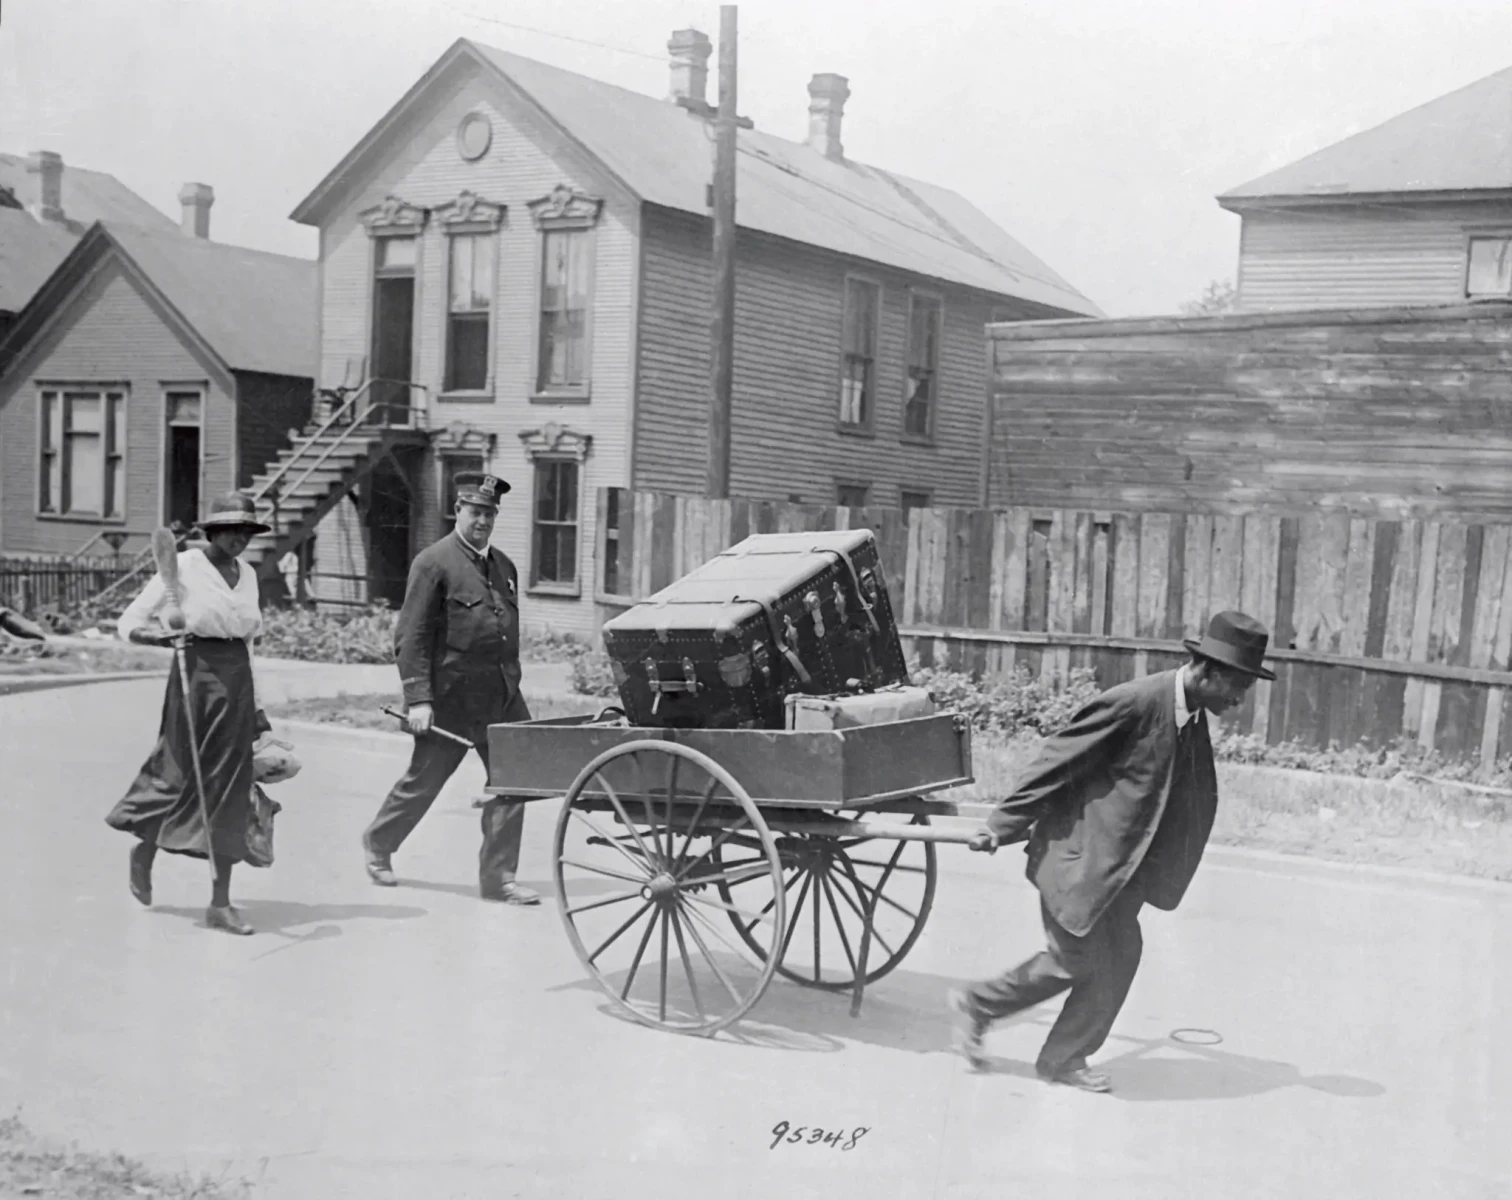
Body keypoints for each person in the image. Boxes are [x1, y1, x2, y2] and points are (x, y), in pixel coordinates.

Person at [949, 610, 1276, 1093]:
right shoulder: (1135, 703)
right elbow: (1057, 761)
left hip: (1121, 870)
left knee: (1122, 955)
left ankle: (1063, 1058)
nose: (1239, 699)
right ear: (1207, 672)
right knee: (1072, 959)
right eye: (1238, 686)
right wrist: (1002, 824)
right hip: (1079, 858)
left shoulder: (1191, 716)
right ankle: (980, 1003)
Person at [361, 472, 540, 905]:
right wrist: (419, 698)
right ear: (457, 511)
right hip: (451, 698)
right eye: (475, 512)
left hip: (500, 695)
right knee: (424, 781)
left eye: (490, 513)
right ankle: (379, 845)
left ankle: (498, 879)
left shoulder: (503, 566)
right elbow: (411, 636)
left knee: (516, 780)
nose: (482, 521)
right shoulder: (434, 562)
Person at [106, 493, 272, 936]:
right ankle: (145, 849)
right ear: (212, 531)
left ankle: (220, 902)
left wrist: (256, 706)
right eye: (232, 529)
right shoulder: (183, 567)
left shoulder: (249, 575)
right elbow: (129, 621)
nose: (240, 538)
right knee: (179, 777)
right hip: (193, 679)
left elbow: (249, 644)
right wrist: (158, 637)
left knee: (232, 789)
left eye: (247, 531)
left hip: (237, 683)